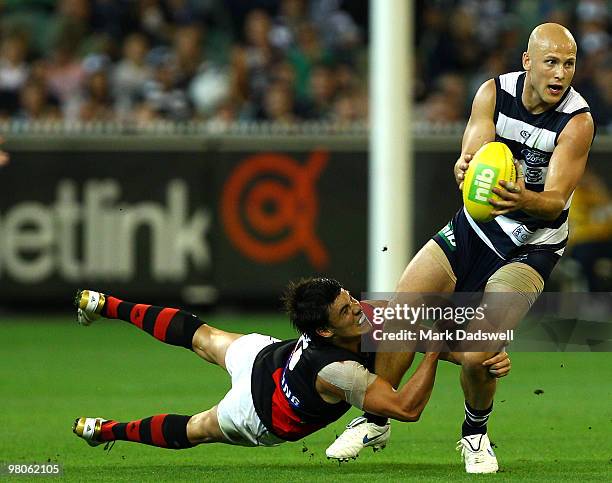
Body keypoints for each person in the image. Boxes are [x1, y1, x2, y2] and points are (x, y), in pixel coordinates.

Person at [327, 23, 595, 474]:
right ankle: (376, 418)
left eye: (568, 64)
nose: (560, 73)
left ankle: (475, 433)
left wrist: (521, 198)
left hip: (530, 246)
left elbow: (552, 203)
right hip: (475, 229)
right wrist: (465, 164)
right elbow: (474, 149)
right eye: (551, 62)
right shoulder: (491, 92)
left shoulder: (577, 121)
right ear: (528, 62)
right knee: (401, 314)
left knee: (477, 354)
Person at [71, 279, 510, 454]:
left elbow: (410, 334)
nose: (357, 309)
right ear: (323, 332)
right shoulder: (337, 370)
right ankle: (108, 431)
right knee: (198, 427)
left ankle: (105, 305)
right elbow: (408, 408)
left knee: (201, 335)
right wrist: (432, 349)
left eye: (349, 299)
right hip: (261, 411)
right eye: (345, 311)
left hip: (268, 355)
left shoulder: (351, 321)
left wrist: (476, 355)